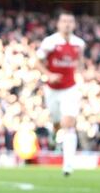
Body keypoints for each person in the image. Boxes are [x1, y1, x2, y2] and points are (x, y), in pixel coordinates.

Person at [36, 11, 85, 176]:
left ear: (74, 24)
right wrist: (49, 75)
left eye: (70, 21)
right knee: (57, 123)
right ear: (58, 24)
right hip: (52, 90)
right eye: (64, 21)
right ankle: (53, 134)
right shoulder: (50, 42)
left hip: (70, 88)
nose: (67, 24)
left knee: (69, 123)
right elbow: (36, 61)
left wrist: (81, 74)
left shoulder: (79, 43)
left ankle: (68, 165)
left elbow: (80, 61)